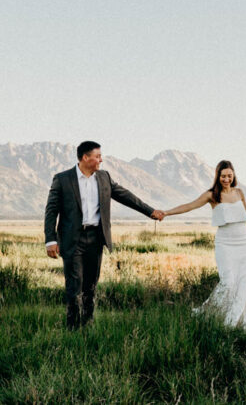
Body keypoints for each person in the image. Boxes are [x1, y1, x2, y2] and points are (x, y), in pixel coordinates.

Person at [44, 141, 165, 329]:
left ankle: (88, 326)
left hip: (95, 239)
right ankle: (73, 329)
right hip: (72, 240)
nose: (101, 160)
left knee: (90, 287)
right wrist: (50, 240)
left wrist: (150, 211)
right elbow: (51, 211)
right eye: (98, 156)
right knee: (74, 287)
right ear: (85, 158)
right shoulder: (63, 179)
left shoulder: (104, 177)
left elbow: (126, 196)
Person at [163, 160, 246, 328]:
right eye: (223, 176)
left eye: (229, 176)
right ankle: (207, 315)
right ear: (218, 177)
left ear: (233, 176)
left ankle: (232, 324)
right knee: (228, 281)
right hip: (225, 244)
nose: (226, 179)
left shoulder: (239, 193)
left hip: (243, 244)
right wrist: (167, 213)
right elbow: (189, 206)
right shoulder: (212, 195)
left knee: (242, 284)